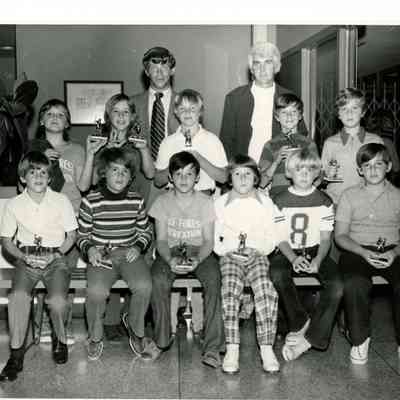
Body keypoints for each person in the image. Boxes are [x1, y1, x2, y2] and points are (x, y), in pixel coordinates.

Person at [80, 93, 155, 342]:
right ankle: (107, 326)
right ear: (108, 115)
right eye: (116, 111)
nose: (121, 116)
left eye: (126, 112)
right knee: (104, 280)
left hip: (134, 209)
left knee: (139, 276)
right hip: (104, 213)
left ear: (133, 116)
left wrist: (143, 149)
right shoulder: (99, 142)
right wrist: (95, 152)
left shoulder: (138, 141)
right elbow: (87, 184)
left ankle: (131, 323)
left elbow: (150, 173)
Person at [0, 151, 77, 382]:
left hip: (56, 258)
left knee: (58, 301)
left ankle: (59, 340)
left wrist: (56, 255)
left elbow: (71, 236)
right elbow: (6, 241)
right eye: (33, 172)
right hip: (27, 258)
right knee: (18, 298)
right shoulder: (14, 204)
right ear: (23, 177)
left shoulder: (61, 201)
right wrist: (23, 257)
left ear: (50, 177)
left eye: (43, 172)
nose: (39, 177)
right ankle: (16, 355)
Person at [149, 151, 225, 368]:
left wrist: (198, 260)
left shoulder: (206, 201)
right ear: (170, 177)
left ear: (197, 177)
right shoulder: (162, 201)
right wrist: (169, 260)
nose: (184, 179)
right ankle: (161, 340)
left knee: (214, 278)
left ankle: (212, 347)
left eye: (189, 174)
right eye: (178, 174)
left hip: (199, 250)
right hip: (171, 250)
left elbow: (209, 241)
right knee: (158, 279)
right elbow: (161, 240)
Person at [76, 147, 152, 361]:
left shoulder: (136, 200)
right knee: (97, 291)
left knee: (144, 285)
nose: (120, 175)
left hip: (129, 253)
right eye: (114, 170)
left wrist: (138, 247)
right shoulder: (91, 201)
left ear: (130, 177)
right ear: (103, 173)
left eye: (125, 171)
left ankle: (136, 330)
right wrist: (90, 249)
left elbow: (145, 231)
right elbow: (82, 235)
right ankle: (95, 337)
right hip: (101, 255)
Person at [269, 148, 343, 362]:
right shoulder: (279, 200)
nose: (304, 174)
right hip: (287, 250)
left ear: (317, 174)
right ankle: (301, 322)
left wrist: (318, 260)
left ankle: (310, 339)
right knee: (277, 273)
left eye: (309, 170)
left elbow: (326, 238)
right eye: (298, 169)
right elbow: (280, 238)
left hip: (315, 249)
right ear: (289, 173)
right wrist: (293, 258)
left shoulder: (324, 200)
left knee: (337, 284)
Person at [214, 154, 285, 374]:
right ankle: (232, 347)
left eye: (248, 173)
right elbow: (215, 239)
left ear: (256, 178)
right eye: (237, 174)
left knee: (265, 288)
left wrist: (257, 250)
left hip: (257, 254)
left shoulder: (265, 202)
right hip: (230, 255)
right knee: (230, 288)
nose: (243, 178)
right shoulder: (220, 203)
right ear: (229, 179)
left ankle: (266, 347)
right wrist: (229, 251)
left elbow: (272, 236)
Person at [335, 143, 400, 365]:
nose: (373, 170)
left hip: (392, 250)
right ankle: (360, 340)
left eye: (378, 164)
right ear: (360, 170)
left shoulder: (398, 196)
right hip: (357, 249)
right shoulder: (349, 195)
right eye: (367, 165)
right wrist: (362, 252)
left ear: (388, 167)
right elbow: (340, 236)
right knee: (355, 283)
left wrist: (394, 252)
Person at [219, 41, 307, 162]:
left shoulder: (289, 97)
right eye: (257, 63)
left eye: (268, 62)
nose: (262, 69)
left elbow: (302, 134)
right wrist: (235, 169)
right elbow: (226, 141)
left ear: (276, 67)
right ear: (252, 69)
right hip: (245, 168)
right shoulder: (235, 98)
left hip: (279, 168)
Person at [154, 89, 228, 194]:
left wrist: (199, 158)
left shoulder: (212, 140)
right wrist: (176, 164)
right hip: (175, 197)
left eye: (192, 108)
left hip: (203, 196)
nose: (187, 112)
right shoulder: (168, 142)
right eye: (182, 108)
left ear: (200, 112)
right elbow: (158, 182)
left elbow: (224, 178)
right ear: (176, 112)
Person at [131, 46, 180, 205]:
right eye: (154, 69)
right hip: (141, 182)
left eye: (164, 68)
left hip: (177, 181)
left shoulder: (185, 103)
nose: (160, 73)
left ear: (172, 70)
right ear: (146, 72)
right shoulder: (132, 103)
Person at [321, 88, 383, 205]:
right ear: (338, 114)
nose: (349, 113)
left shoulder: (375, 141)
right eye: (344, 109)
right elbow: (322, 177)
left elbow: (382, 175)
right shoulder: (330, 143)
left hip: (365, 202)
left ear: (363, 112)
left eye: (354, 108)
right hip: (336, 201)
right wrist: (326, 174)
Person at [259, 93, 317, 198]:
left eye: (293, 112)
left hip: (304, 198)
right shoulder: (270, 145)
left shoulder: (309, 144)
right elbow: (262, 182)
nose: (289, 116)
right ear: (277, 117)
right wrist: (276, 161)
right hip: (278, 199)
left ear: (300, 116)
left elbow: (317, 176)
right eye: (284, 112)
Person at [0, 77, 38, 186]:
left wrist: (2, 100)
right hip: (8, 146)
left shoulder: (22, 106)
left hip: (14, 149)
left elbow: (12, 110)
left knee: (11, 179)